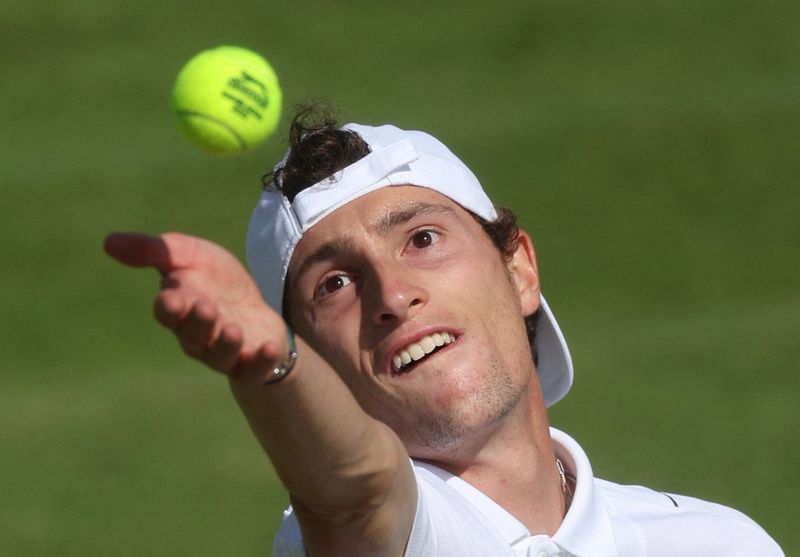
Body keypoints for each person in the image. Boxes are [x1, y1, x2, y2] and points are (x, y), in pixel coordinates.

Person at [105, 108, 784, 556]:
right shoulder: (379, 531)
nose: (394, 296)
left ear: (518, 267)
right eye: (333, 284)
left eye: (422, 238)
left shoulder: (722, 541)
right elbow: (359, 491)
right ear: (317, 361)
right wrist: (271, 365)